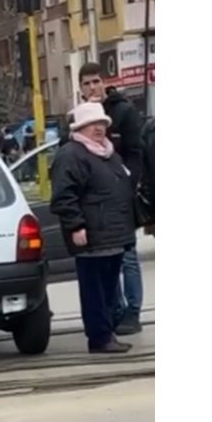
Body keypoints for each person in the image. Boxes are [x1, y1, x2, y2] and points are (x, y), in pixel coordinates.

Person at [51, 102, 137, 354]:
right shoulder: (71, 155)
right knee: (95, 292)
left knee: (108, 289)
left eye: (102, 123)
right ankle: (99, 337)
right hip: (91, 238)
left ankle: (107, 333)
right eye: (92, 124)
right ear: (80, 128)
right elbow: (64, 196)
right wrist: (76, 226)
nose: (99, 128)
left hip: (114, 237)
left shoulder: (109, 153)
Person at [77, 63, 144, 335]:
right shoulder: (77, 117)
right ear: (80, 88)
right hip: (94, 202)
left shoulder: (123, 112)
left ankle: (133, 311)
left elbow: (136, 152)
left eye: (96, 82)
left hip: (121, 198)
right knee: (106, 259)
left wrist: (127, 184)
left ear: (105, 83)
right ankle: (114, 310)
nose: (92, 88)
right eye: (87, 84)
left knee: (127, 255)